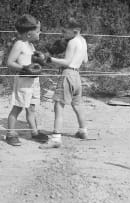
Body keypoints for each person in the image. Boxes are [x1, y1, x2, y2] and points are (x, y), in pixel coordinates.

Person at [38, 16, 88, 148]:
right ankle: (83, 130)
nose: (63, 35)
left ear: (75, 31)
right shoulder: (83, 40)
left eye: (65, 32)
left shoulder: (72, 43)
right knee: (77, 104)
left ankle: (56, 138)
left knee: (58, 105)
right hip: (77, 75)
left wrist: (50, 59)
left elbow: (66, 62)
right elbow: (85, 60)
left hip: (68, 74)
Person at [5, 15, 49, 146]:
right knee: (17, 108)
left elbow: (32, 61)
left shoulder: (30, 45)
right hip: (23, 82)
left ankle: (34, 132)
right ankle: (10, 134)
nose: (40, 33)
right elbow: (10, 62)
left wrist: (39, 61)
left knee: (31, 109)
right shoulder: (19, 44)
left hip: (33, 81)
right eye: (38, 31)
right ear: (29, 34)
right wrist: (24, 68)